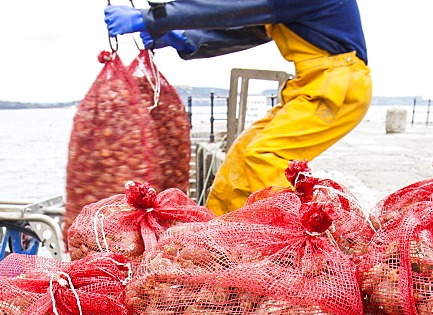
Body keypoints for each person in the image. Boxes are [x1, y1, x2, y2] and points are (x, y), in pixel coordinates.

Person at [104, 0, 372, 216]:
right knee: (242, 151)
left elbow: (231, 7)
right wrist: (184, 38)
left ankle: (273, 238)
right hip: (312, 85)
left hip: (338, 84)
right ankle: (220, 229)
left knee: (262, 156)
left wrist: (150, 17)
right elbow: (248, 28)